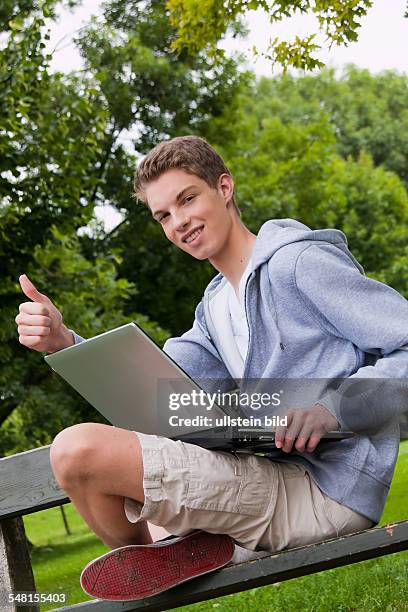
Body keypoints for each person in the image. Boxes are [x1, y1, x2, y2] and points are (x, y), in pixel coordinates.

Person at [16, 136, 408, 601]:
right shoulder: (215, 305)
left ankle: (159, 564)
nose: (179, 222)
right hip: (271, 474)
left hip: (327, 490)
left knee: (78, 450)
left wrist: (331, 408)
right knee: (88, 463)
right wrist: (64, 341)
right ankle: (164, 559)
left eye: (187, 199)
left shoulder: (299, 264)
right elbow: (162, 382)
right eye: (164, 215)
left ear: (224, 187)